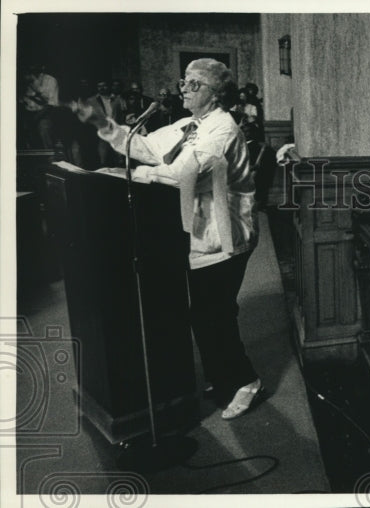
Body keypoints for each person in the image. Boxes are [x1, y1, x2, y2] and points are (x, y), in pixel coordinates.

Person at [74, 58, 263, 420]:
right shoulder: (189, 125)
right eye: (184, 82)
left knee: (215, 314)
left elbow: (182, 176)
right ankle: (224, 377)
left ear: (216, 94)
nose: (183, 90)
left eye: (194, 85)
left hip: (224, 237)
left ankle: (245, 381)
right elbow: (144, 146)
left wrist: (132, 174)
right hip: (198, 234)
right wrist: (103, 124)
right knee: (204, 314)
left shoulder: (221, 130)